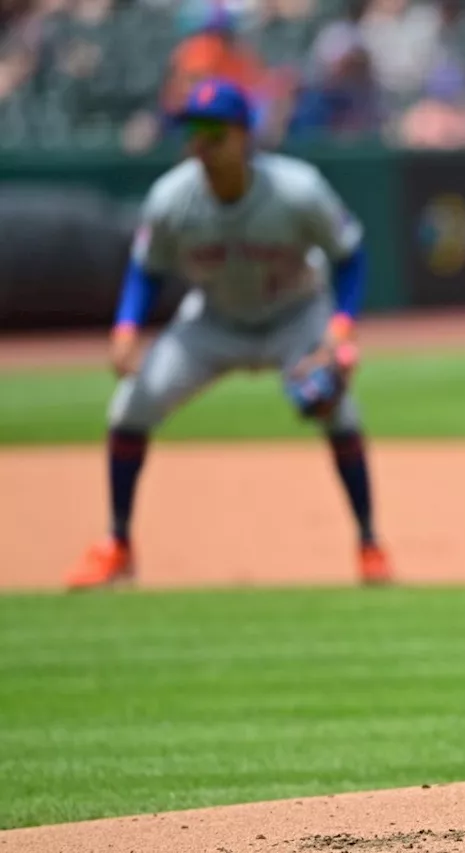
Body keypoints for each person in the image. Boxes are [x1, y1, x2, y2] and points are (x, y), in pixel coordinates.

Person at [66, 79, 393, 590]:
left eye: (213, 132)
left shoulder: (296, 189)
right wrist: (127, 327)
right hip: (213, 321)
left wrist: (339, 329)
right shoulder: (171, 198)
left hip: (295, 317)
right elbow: (145, 269)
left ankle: (370, 544)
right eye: (192, 132)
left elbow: (349, 255)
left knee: (336, 407)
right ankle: (117, 545)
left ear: (244, 136)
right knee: (129, 407)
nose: (201, 143)